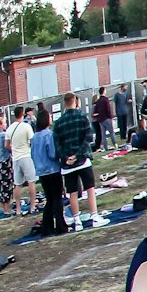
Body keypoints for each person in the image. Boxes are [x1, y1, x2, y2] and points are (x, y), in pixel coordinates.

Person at [52, 92, 101, 228]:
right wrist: (78, 155)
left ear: (65, 103)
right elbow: (88, 138)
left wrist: (66, 157)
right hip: (83, 160)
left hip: (67, 164)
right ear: (75, 101)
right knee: (90, 189)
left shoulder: (59, 123)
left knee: (72, 193)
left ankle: (77, 221)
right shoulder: (82, 116)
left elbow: (57, 144)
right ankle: (94, 216)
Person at [29, 105, 69, 237]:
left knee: (49, 199)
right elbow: (52, 153)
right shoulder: (49, 135)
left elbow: (33, 155)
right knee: (57, 199)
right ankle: (60, 226)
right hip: (52, 169)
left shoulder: (34, 137)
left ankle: (47, 227)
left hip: (41, 172)